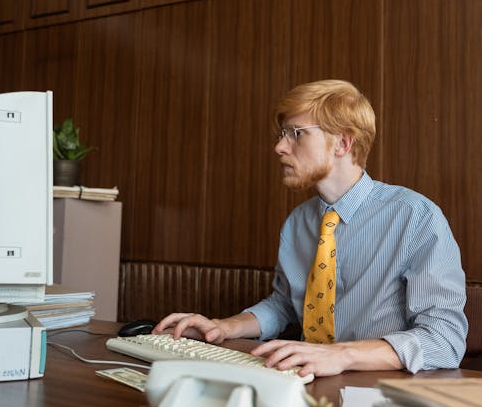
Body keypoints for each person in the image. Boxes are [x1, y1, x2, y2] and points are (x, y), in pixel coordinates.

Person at [153, 79, 467, 377]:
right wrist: (223, 326)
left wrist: (342, 355)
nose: (279, 147)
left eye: (296, 133)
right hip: (302, 383)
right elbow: (284, 306)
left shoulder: (415, 216)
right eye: (281, 133)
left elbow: (445, 340)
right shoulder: (298, 223)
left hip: (379, 399)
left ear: (342, 143)